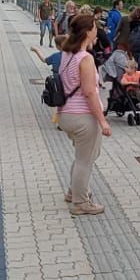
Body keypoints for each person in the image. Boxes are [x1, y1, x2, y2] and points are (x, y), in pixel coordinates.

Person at [55, 14, 112, 215]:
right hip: (82, 116)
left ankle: (73, 191)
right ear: (88, 31)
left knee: (82, 157)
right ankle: (80, 203)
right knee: (85, 161)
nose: (97, 30)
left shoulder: (66, 53)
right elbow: (89, 92)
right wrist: (102, 121)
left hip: (66, 114)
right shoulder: (85, 58)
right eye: (95, 27)